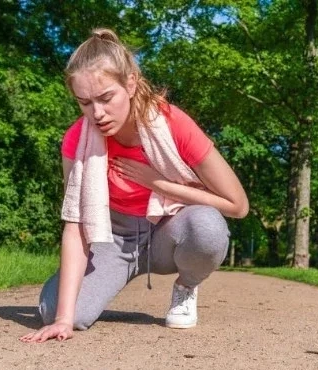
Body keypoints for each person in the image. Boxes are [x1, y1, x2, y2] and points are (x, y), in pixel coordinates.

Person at [20, 28, 248, 344]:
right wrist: (63, 319)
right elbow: (75, 225)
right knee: (55, 312)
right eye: (84, 102)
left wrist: (160, 184)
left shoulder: (173, 123)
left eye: (105, 98)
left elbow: (238, 206)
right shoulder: (77, 139)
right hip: (111, 238)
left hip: (168, 230)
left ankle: (186, 286)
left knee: (207, 228)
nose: (96, 113)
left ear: (130, 84)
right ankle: (90, 286)